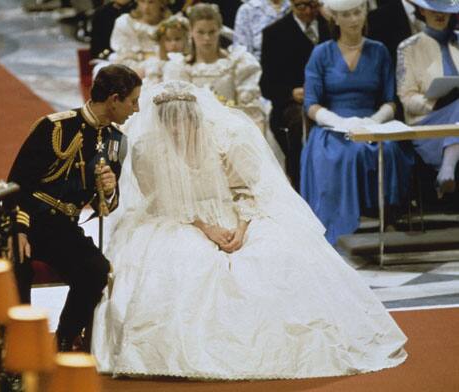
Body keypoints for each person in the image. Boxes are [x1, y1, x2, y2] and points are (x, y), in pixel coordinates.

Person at [91, 80, 407, 379]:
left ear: (196, 117)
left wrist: (241, 227)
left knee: (273, 258)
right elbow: (160, 202)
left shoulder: (224, 138)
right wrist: (206, 228)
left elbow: (249, 190)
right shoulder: (148, 148)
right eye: (169, 121)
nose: (176, 128)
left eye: (183, 120)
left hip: (232, 212)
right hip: (177, 219)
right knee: (183, 264)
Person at [8, 64, 141, 351]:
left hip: (63, 229)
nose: (137, 109)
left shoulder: (116, 142)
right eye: (133, 101)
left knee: (96, 270)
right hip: (31, 220)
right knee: (18, 267)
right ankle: (18, 347)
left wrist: (108, 189)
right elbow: (16, 183)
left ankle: (65, 339)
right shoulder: (54, 127)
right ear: (114, 99)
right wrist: (17, 228)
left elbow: (105, 207)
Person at [300, 0, 414, 244]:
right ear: (336, 19)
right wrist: (340, 121)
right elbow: (310, 103)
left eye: (357, 13)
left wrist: (372, 121)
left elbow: (390, 100)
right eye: (347, 15)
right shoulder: (321, 53)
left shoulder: (379, 50)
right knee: (342, 154)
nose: (353, 20)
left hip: (371, 121)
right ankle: (337, 225)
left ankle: (388, 217)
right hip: (333, 126)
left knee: (390, 149)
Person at [164, 4, 272, 142]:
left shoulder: (237, 63)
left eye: (211, 32)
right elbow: (177, 114)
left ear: (219, 30)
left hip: (233, 134)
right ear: (191, 31)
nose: (207, 38)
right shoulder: (181, 67)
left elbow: (251, 111)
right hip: (194, 136)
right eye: (201, 32)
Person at [260, 0, 330, 189]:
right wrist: (290, 93)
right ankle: (301, 187)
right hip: (292, 106)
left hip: (331, 99)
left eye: (313, 6)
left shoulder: (331, 26)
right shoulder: (274, 33)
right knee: (301, 123)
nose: (308, 11)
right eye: (301, 6)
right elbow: (266, 86)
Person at [397, 0, 459, 197]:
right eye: (434, 10)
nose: (440, 15)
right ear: (422, 10)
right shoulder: (408, 47)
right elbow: (406, 98)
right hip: (428, 122)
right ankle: (447, 167)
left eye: (445, 11)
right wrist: (434, 103)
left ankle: (447, 170)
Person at [109, 0, 171, 75]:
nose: (146, 7)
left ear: (161, 3)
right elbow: (122, 51)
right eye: (142, 1)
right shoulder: (126, 22)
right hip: (131, 64)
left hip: (162, 66)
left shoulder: (171, 25)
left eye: (151, 2)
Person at [142, 14, 190, 87]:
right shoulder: (155, 62)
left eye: (177, 39)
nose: (173, 43)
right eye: (168, 40)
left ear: (185, 39)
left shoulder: (187, 60)